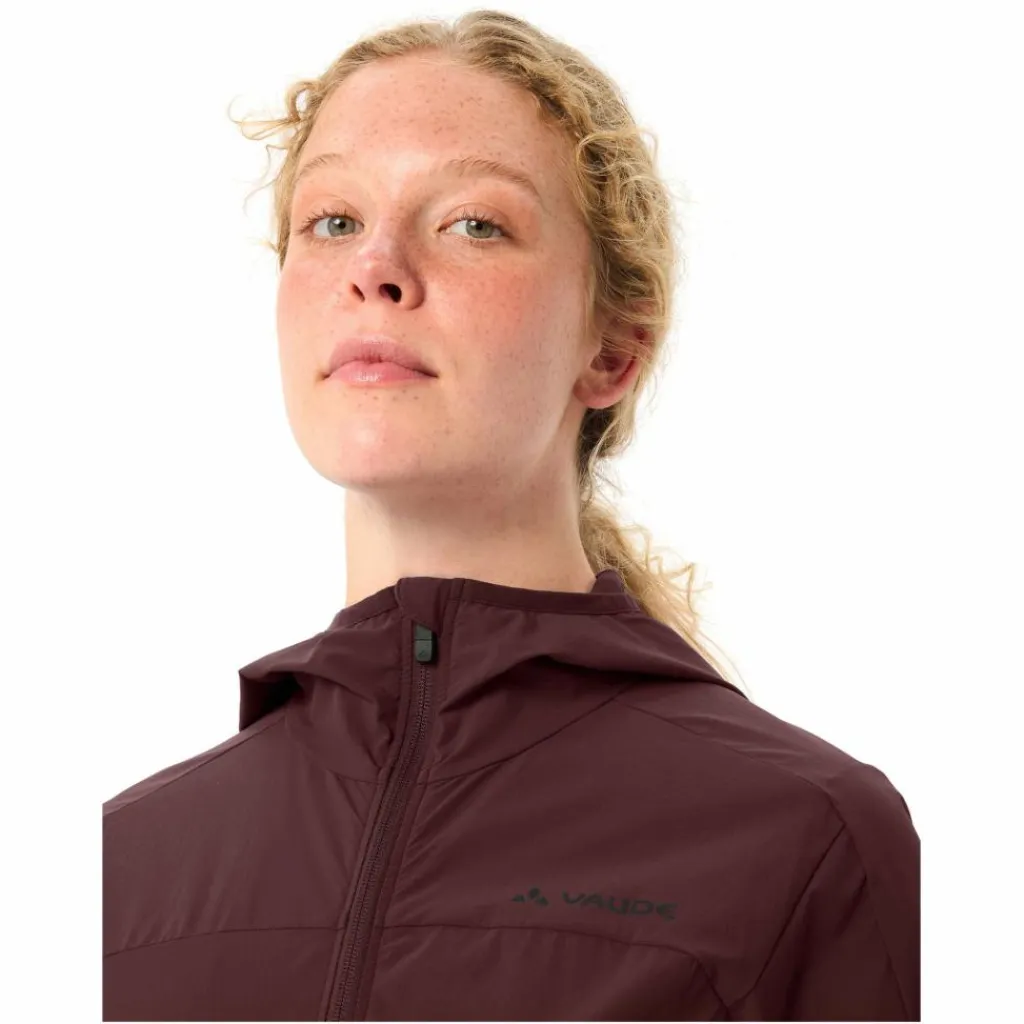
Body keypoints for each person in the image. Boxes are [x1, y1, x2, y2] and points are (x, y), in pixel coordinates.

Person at [102, 9, 920, 1021]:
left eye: (473, 224)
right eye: (334, 221)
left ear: (612, 350)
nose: (374, 267)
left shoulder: (807, 840)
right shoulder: (119, 870)